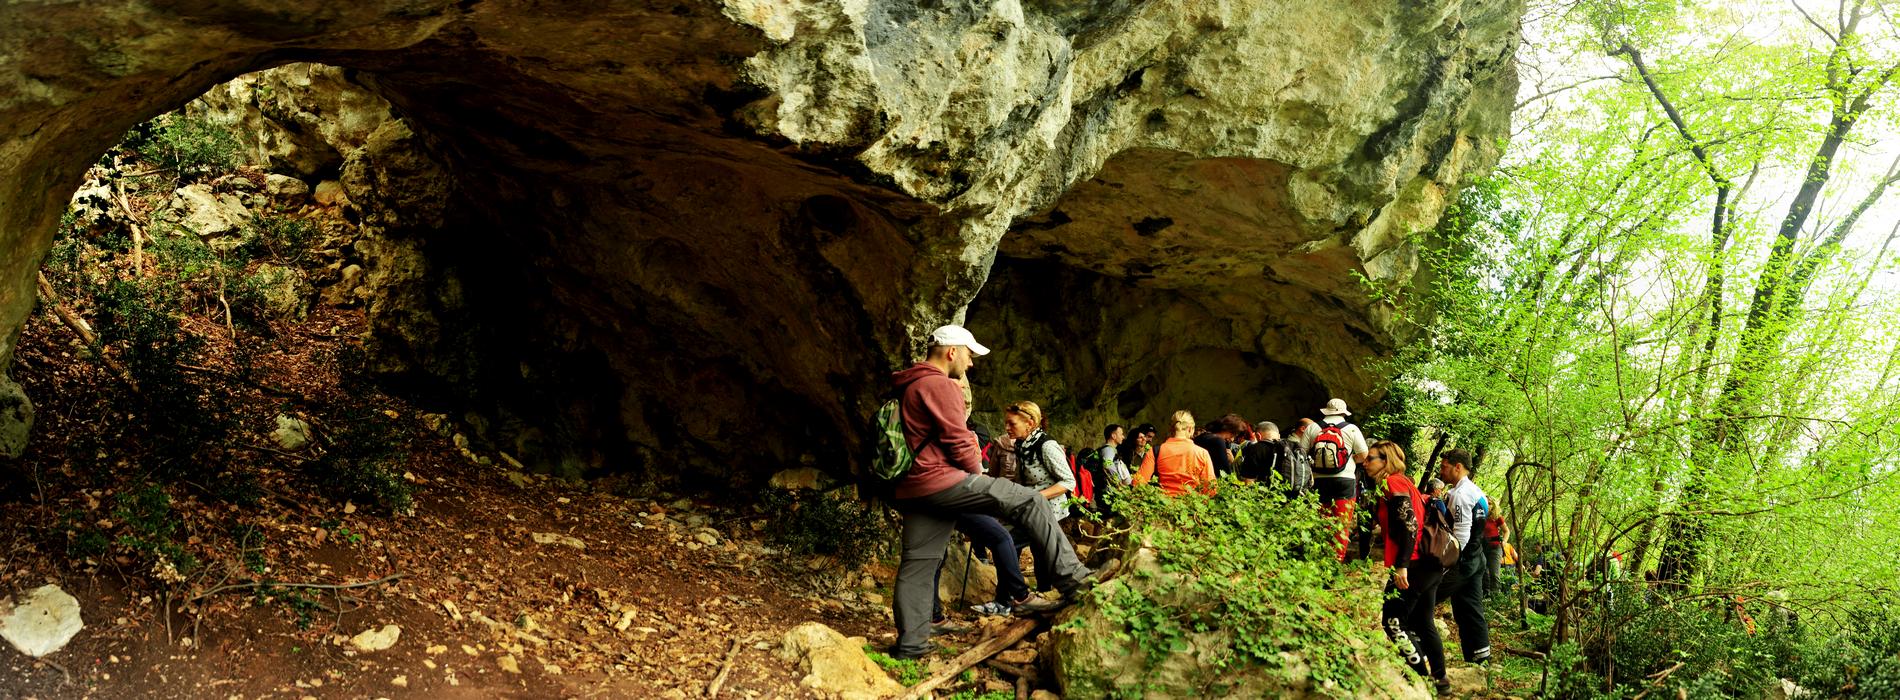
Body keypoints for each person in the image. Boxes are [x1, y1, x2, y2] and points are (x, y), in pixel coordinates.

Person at [886, 325, 1093, 659]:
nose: (970, 364)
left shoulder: (909, 384)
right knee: (1030, 500)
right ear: (952, 351)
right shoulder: (940, 385)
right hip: (944, 481)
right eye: (969, 355)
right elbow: (960, 447)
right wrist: (971, 448)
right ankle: (1074, 580)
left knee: (917, 564)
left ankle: (911, 645)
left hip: (915, 487)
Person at [1365, 440, 1447, 693]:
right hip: (1429, 562)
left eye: (1371, 458)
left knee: (1393, 622)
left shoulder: (1394, 483)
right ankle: (1441, 681)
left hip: (1414, 564)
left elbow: (1411, 527)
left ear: (1385, 461)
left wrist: (1401, 567)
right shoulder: (1404, 483)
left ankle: (1420, 675)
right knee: (1423, 620)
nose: (1365, 462)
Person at [1002, 401, 1077, 594]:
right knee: (1039, 553)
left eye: (1012, 423)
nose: (1007, 428)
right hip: (1032, 509)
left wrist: (1034, 496)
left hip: (1048, 511)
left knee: (1007, 542)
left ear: (1030, 423)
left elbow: (1069, 482)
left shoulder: (1047, 445)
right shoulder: (1022, 443)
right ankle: (1042, 593)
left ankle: (1008, 597)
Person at [1296, 399, 1371, 561]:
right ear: (1344, 413)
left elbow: (1301, 454)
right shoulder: (1351, 429)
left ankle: (1315, 562)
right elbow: (1364, 456)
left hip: (1318, 481)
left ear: (1326, 411)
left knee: (1320, 522)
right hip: (1345, 481)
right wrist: (1348, 461)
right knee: (1341, 526)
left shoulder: (1313, 428)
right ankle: (1334, 564)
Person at [1437, 448, 1493, 665]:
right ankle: (1479, 657)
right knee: (1469, 608)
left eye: (1444, 467)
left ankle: (1413, 641)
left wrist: (1447, 564)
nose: (1441, 472)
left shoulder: (1460, 495)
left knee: (1426, 596)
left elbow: (1460, 534)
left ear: (1457, 467)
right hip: (1477, 559)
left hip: (1464, 561)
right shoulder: (1476, 492)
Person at [1133, 411, 1216, 496]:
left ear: (1171, 428)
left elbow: (1138, 483)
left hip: (1162, 504)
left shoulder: (1156, 451)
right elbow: (1210, 489)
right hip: (1191, 506)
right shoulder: (1202, 453)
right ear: (1191, 429)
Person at [1193, 414, 1246, 480]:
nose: (1232, 439)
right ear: (1229, 430)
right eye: (1234, 434)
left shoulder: (1200, 437)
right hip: (1210, 482)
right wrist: (1231, 462)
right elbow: (1225, 472)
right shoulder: (1218, 441)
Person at [1483, 506, 1510, 598]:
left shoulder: (1497, 517)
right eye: (1486, 502)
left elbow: (1506, 531)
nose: (1487, 505)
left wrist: (1504, 541)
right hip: (1482, 548)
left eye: (1489, 503)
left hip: (1495, 548)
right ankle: (1486, 595)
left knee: (1494, 573)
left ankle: (1496, 597)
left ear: (1493, 505)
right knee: (1484, 572)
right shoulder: (1479, 515)